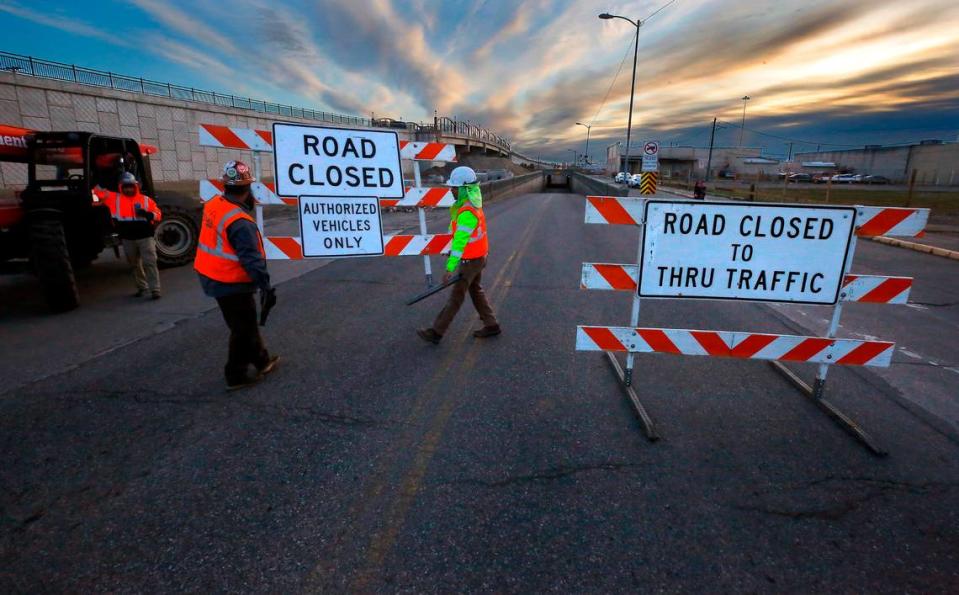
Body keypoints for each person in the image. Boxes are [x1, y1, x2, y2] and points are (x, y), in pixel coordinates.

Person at [194, 160, 278, 390]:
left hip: (209, 272)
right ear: (248, 188)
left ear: (225, 186)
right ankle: (236, 375)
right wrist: (266, 287)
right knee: (242, 328)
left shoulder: (214, 203)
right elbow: (252, 260)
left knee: (245, 322)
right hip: (228, 280)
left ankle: (261, 359)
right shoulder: (240, 223)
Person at [417, 166, 500, 344]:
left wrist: (450, 267)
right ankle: (491, 324)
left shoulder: (467, 213)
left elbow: (460, 243)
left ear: (464, 188)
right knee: (475, 290)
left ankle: (436, 332)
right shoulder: (471, 205)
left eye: (454, 188)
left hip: (470, 260)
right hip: (478, 257)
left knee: (456, 297)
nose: (451, 191)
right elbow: (457, 236)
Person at [94, 172, 163, 299]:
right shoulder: (114, 198)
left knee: (150, 263)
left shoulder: (146, 200)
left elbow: (158, 214)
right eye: (125, 186)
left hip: (145, 237)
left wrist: (148, 215)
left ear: (135, 186)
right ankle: (142, 288)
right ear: (121, 187)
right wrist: (101, 175)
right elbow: (97, 190)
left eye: (130, 186)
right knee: (134, 264)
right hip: (127, 239)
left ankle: (155, 290)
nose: (128, 189)